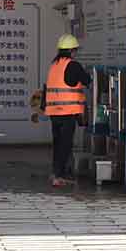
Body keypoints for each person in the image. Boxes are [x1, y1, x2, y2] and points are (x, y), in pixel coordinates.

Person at [42, 34, 91, 187]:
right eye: (75, 50)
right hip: (67, 111)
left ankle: (56, 173)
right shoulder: (73, 65)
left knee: (58, 143)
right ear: (71, 50)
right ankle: (58, 176)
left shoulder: (54, 65)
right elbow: (87, 80)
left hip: (54, 112)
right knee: (65, 144)